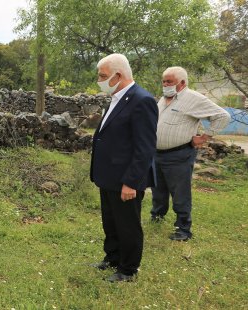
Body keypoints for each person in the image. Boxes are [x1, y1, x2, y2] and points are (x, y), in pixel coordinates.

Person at [89, 54, 158, 282]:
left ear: (118, 75)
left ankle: (128, 269)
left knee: (127, 224)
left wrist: (131, 181)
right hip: (109, 175)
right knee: (110, 221)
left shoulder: (141, 100)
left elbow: (144, 147)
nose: (99, 80)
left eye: (103, 76)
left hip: (125, 178)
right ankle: (113, 257)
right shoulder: (118, 98)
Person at [150, 66, 230, 241]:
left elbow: (222, 116)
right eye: (163, 81)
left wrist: (205, 137)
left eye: (169, 81)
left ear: (182, 83)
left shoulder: (193, 98)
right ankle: (157, 216)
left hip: (179, 154)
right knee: (158, 188)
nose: (165, 84)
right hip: (157, 153)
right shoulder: (164, 99)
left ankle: (183, 229)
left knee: (180, 192)